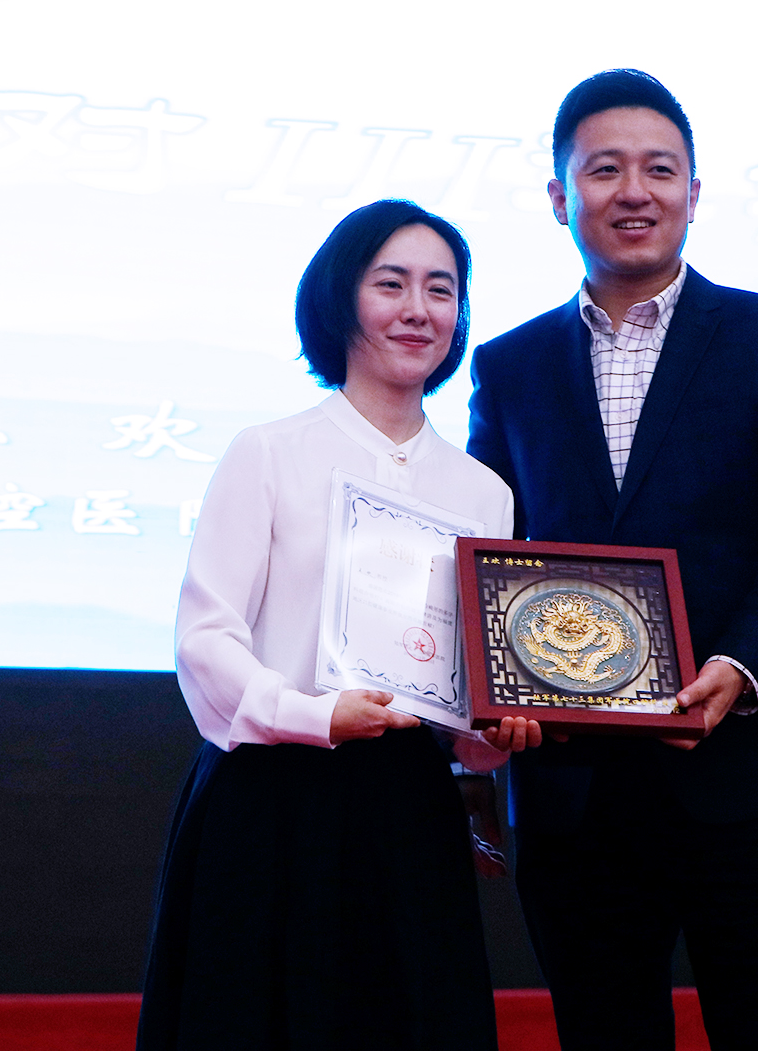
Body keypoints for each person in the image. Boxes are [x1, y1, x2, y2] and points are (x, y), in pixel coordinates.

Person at [467, 70, 758, 1051]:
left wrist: (739, 666)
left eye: (659, 169)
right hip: (574, 790)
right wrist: (490, 685)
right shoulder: (509, 367)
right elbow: (485, 549)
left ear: (694, 191)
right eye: (604, 170)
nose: (633, 191)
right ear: (560, 197)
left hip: (748, 769)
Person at [138, 199, 541, 1051]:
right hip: (272, 803)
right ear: (339, 299)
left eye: (441, 290)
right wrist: (315, 714)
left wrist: (494, 734)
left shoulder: (484, 493)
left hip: (409, 811)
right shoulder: (269, 452)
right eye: (391, 284)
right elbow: (206, 639)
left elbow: (467, 706)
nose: (419, 309)